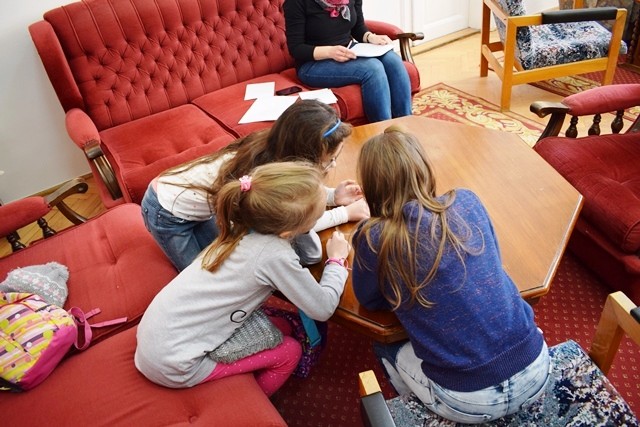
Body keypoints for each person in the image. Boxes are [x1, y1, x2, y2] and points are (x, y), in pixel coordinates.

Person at [351, 127, 551, 424]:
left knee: (384, 343)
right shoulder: (468, 200)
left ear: (370, 185)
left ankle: (418, 409)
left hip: (466, 400)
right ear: (423, 168)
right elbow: (492, 260)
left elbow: (369, 299)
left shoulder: (374, 238)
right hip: (537, 366)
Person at [135, 161, 351, 394]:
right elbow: (322, 307)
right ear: (287, 232)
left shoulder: (239, 222)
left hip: (156, 337)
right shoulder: (274, 255)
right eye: (317, 217)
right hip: (175, 365)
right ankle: (248, 400)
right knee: (290, 351)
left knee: (285, 326)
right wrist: (336, 261)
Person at [141, 99, 369, 271]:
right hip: (166, 213)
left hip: (193, 202)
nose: (333, 165)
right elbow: (298, 220)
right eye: (330, 159)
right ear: (305, 156)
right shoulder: (267, 178)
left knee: (223, 259)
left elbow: (300, 202)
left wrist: (332, 196)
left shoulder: (276, 151)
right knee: (203, 274)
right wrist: (345, 213)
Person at [283, 0, 412, 123]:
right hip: (312, 64)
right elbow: (296, 48)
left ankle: (406, 125)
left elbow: (358, 28)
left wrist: (371, 37)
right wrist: (329, 52)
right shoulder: (296, 2)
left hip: (348, 50)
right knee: (373, 69)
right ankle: (383, 133)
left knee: (392, 60)